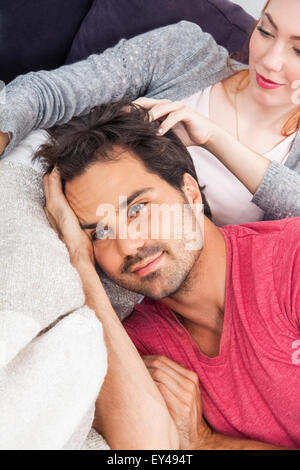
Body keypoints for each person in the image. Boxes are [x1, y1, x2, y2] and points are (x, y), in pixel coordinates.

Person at [37, 100, 300, 450]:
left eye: (138, 208)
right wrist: (81, 264)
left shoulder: (290, 259)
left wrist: (207, 443)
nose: (128, 245)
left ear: (189, 193)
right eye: (99, 232)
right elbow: (145, 450)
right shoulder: (134, 343)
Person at [0, 0, 300, 224]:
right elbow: (54, 91)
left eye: (298, 50)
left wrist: (213, 138)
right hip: (46, 191)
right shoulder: (186, 51)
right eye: (265, 31)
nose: (271, 61)